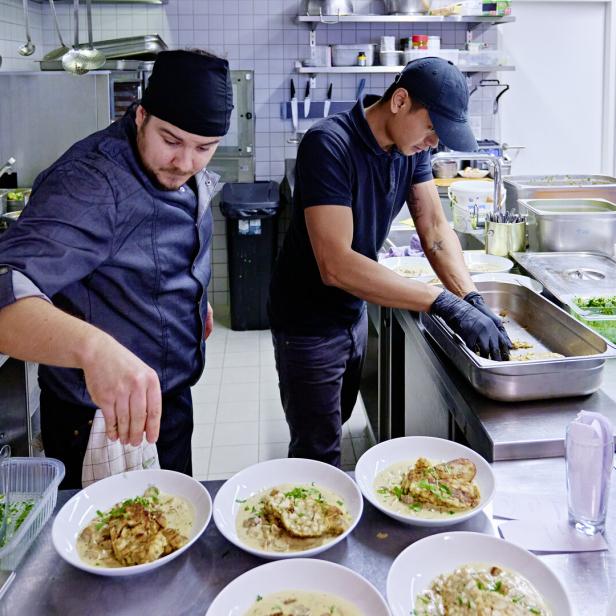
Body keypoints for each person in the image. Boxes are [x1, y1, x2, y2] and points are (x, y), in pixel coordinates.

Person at [0, 49, 234, 488]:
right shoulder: (91, 183)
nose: (184, 163)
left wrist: (191, 300)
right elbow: (4, 294)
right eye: (171, 140)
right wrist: (93, 349)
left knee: (170, 535)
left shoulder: (175, 166)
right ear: (141, 114)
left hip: (165, 399)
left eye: (204, 148)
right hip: (100, 423)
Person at [268, 57, 511, 467]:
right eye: (432, 127)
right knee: (316, 448)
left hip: (352, 311)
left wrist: (470, 296)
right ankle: (307, 519)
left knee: (338, 420)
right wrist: (442, 302)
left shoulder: (409, 148)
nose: (434, 143)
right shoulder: (328, 145)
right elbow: (336, 265)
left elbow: (434, 228)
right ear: (400, 101)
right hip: (307, 319)